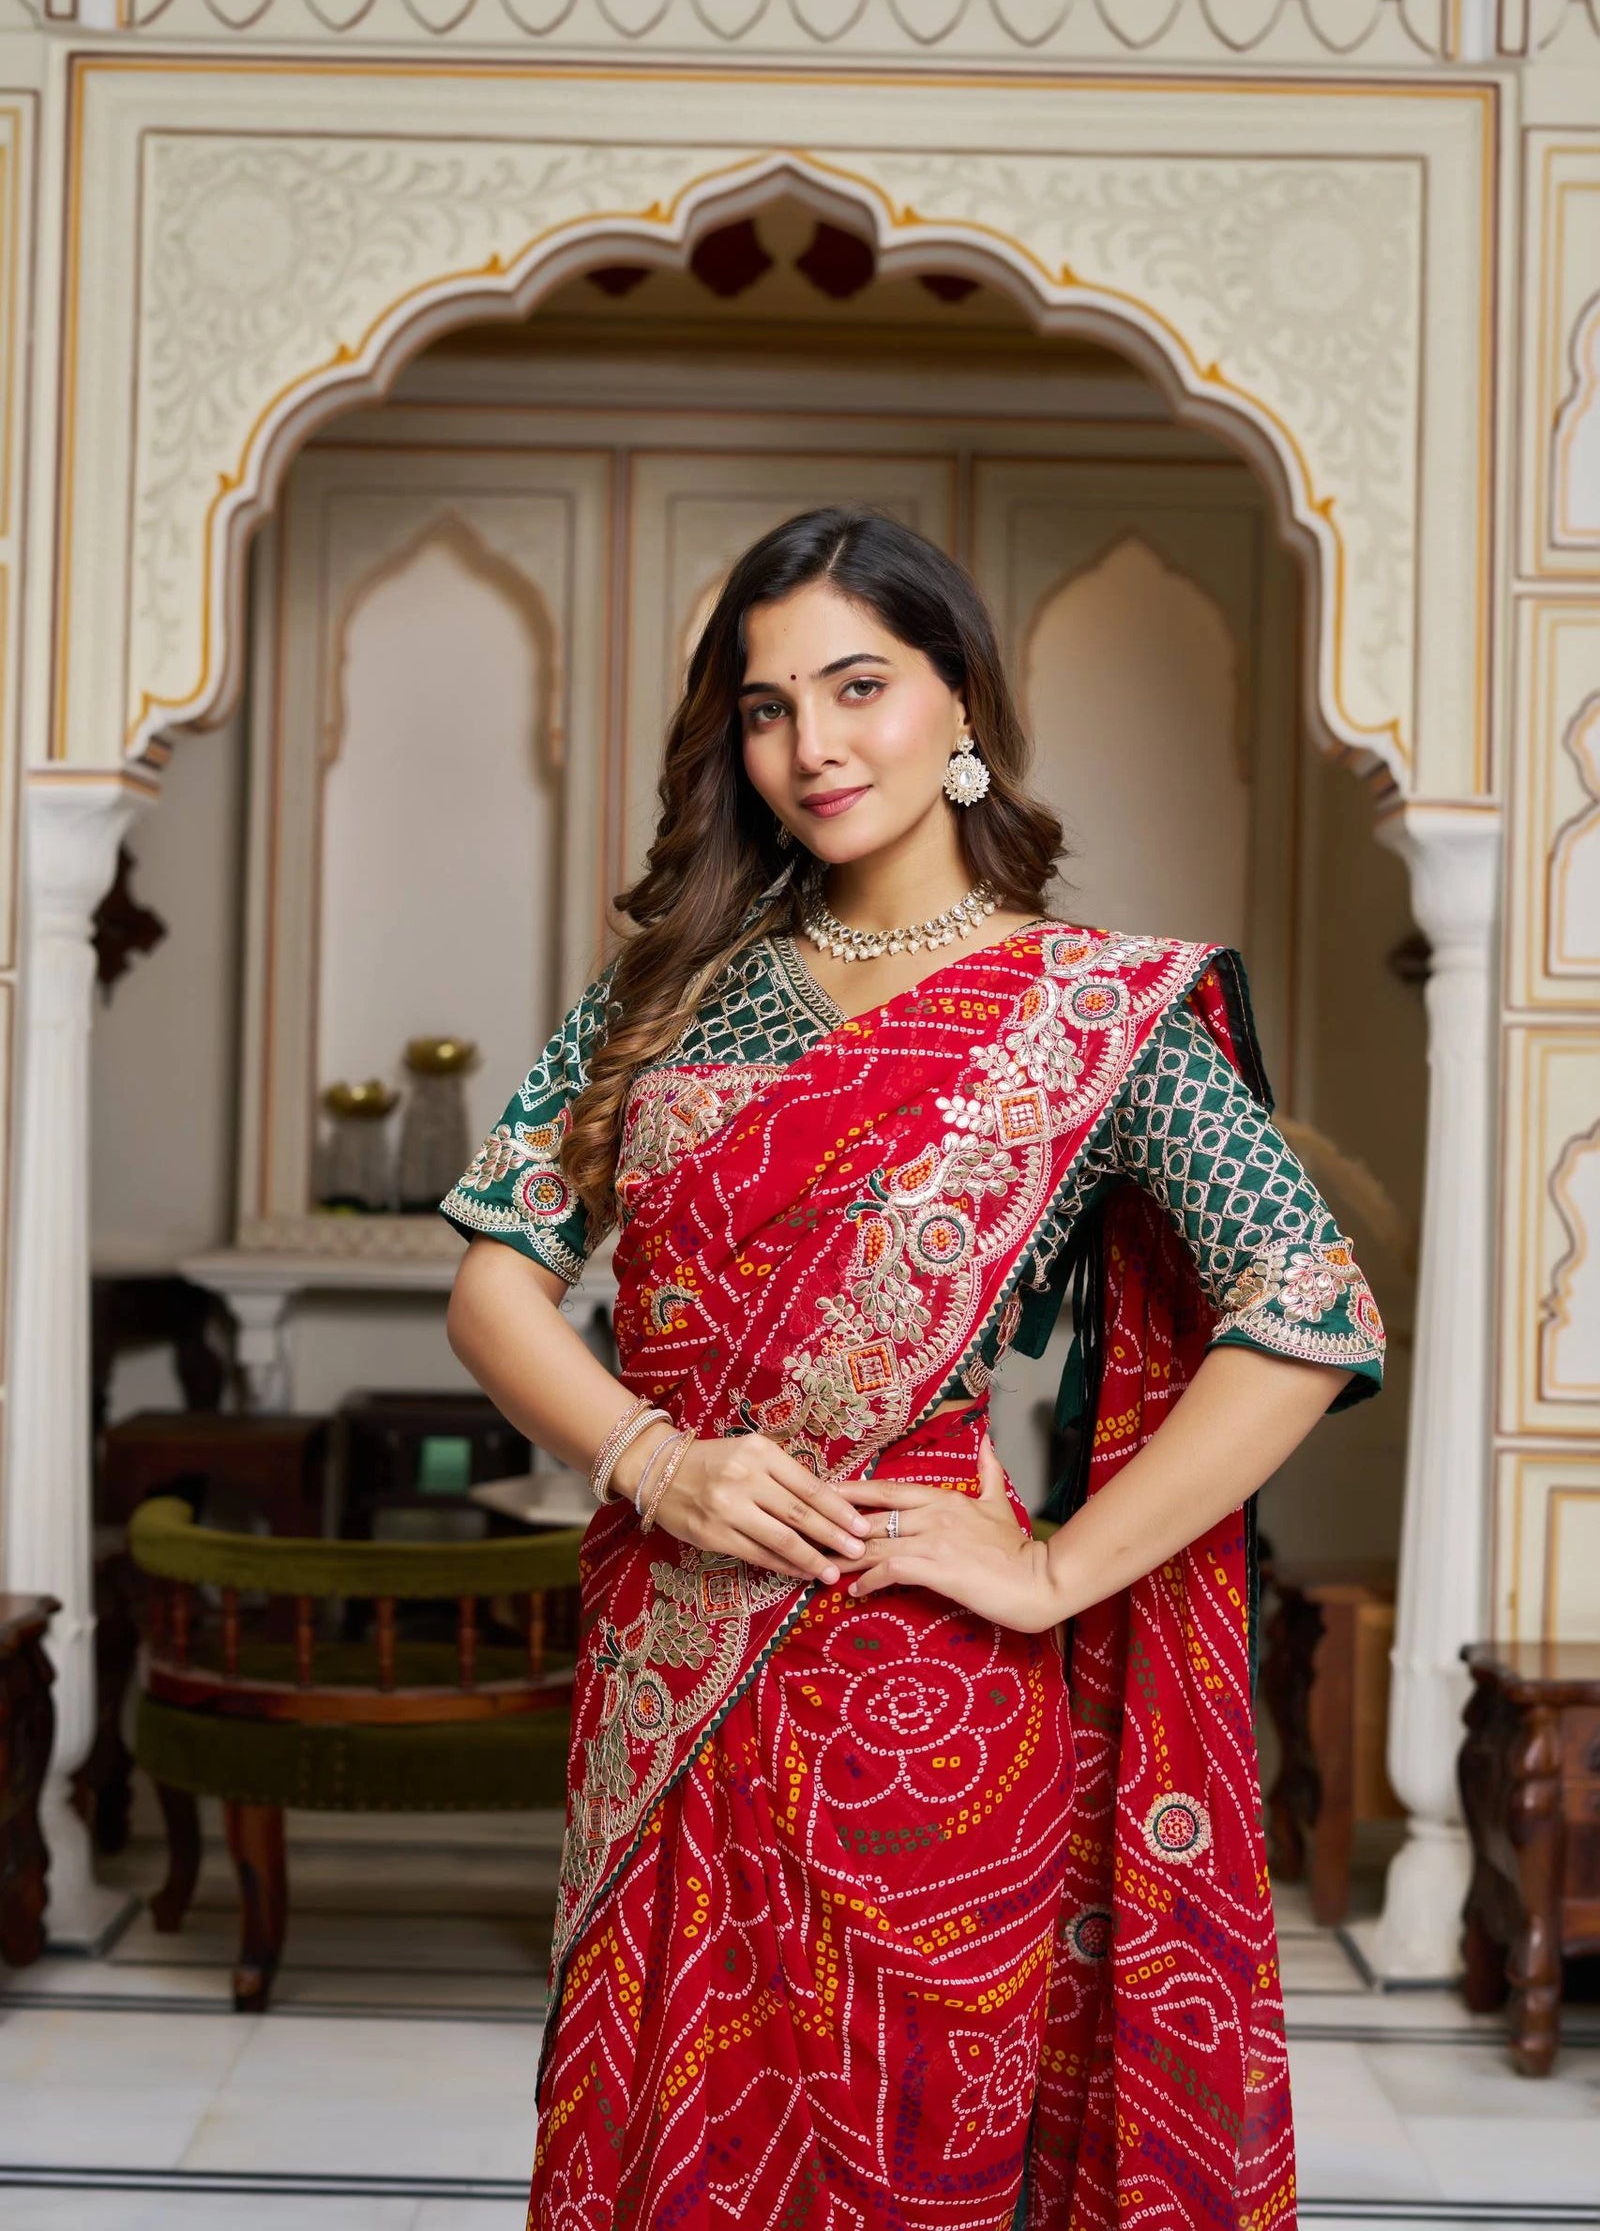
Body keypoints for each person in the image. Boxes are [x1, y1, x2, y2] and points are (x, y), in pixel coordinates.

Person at [442, 508, 1384, 2231]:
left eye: (859, 685)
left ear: (962, 702)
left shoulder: (1099, 1011)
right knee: (660, 2154)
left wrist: (1055, 1571)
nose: (813, 745)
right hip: (668, 1659)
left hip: (928, 1705)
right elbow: (497, 1286)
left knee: (911, 2160)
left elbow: (1308, 1308)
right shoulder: (662, 989)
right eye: (767, 705)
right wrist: (660, 1460)